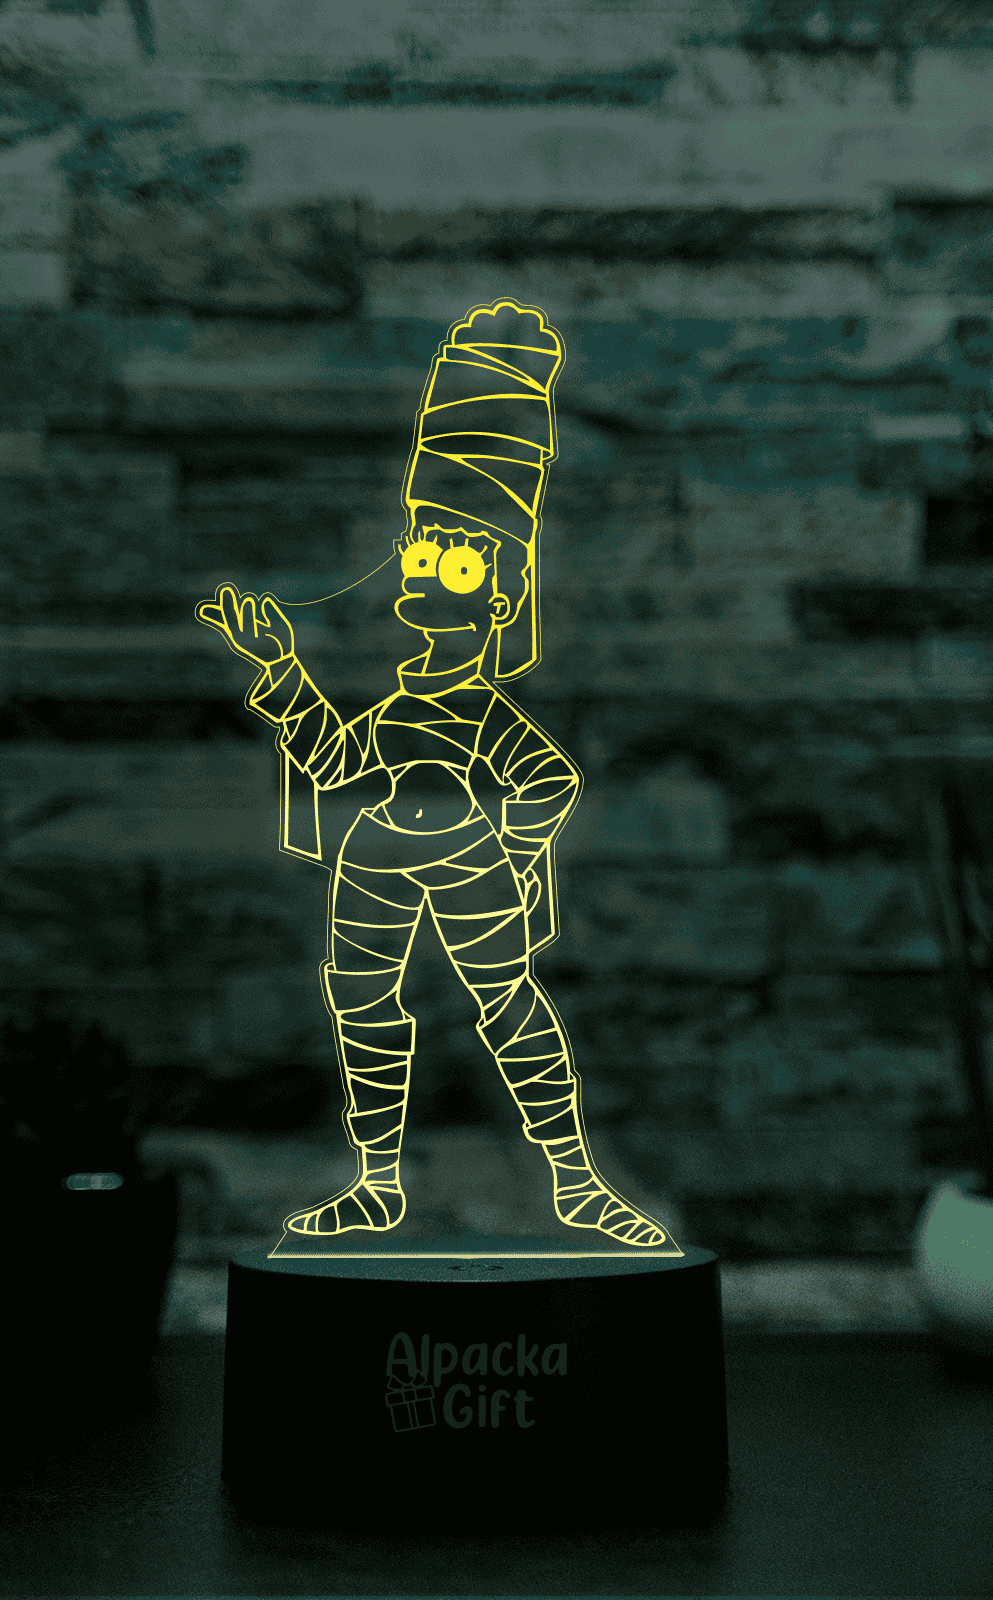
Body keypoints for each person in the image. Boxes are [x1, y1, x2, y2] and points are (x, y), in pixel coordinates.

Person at [197, 301, 670, 1249]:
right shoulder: (399, 706)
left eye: (453, 563)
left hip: (465, 862)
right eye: (422, 554)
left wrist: (512, 857)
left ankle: (575, 1182)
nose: (424, 572)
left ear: (500, 596)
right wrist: (280, 672)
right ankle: (377, 1182)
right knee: (363, 1003)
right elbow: (336, 758)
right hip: (373, 862)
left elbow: (547, 781)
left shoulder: (487, 715)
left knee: (509, 1005)